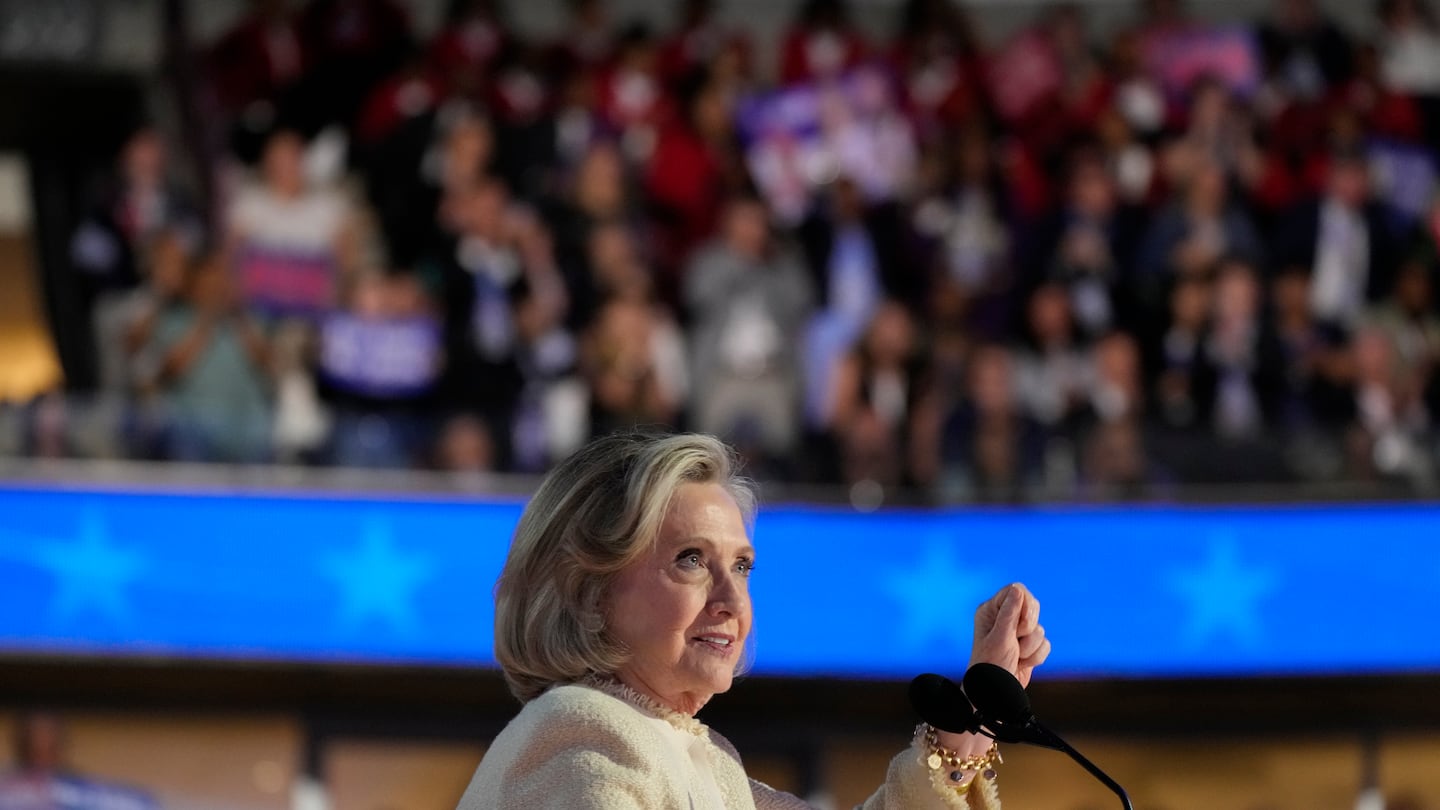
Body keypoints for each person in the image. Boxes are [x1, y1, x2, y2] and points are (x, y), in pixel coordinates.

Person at [457, 431, 1051, 809]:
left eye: (741, 567)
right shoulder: (583, 741)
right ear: (587, 593)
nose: (731, 601)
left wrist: (968, 728)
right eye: (691, 560)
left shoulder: (702, 760)